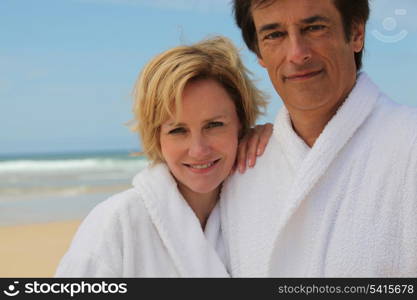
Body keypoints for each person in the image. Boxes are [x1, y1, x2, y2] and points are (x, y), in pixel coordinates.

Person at [221, 0, 417, 277]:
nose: (297, 53)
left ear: (356, 33)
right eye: (274, 35)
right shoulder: (239, 170)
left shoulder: (410, 144)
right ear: (260, 53)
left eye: (314, 28)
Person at [54, 36, 270, 277]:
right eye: (178, 130)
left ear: (241, 124)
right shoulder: (115, 223)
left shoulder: (262, 207)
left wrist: (279, 142)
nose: (198, 149)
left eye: (214, 125)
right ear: (156, 136)